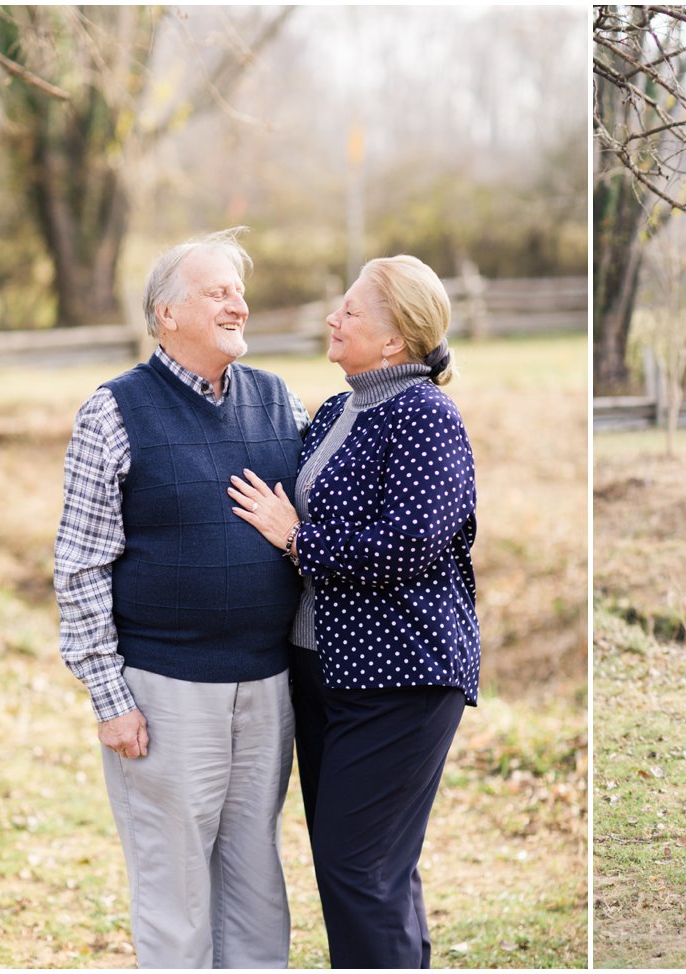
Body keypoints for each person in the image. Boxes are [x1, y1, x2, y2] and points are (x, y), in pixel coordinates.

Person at [53, 227, 309, 968]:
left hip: (267, 685)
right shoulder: (113, 411)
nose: (240, 304)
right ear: (167, 314)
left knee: (256, 878)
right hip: (163, 692)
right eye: (217, 291)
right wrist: (110, 699)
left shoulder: (277, 399)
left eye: (239, 291)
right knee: (175, 893)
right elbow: (79, 567)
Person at [228, 254, 479, 967]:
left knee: (356, 871)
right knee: (374, 871)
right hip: (324, 673)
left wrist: (296, 539)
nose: (332, 319)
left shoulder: (427, 417)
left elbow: (411, 545)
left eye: (350, 312)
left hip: (401, 677)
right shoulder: (340, 409)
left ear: (395, 339)